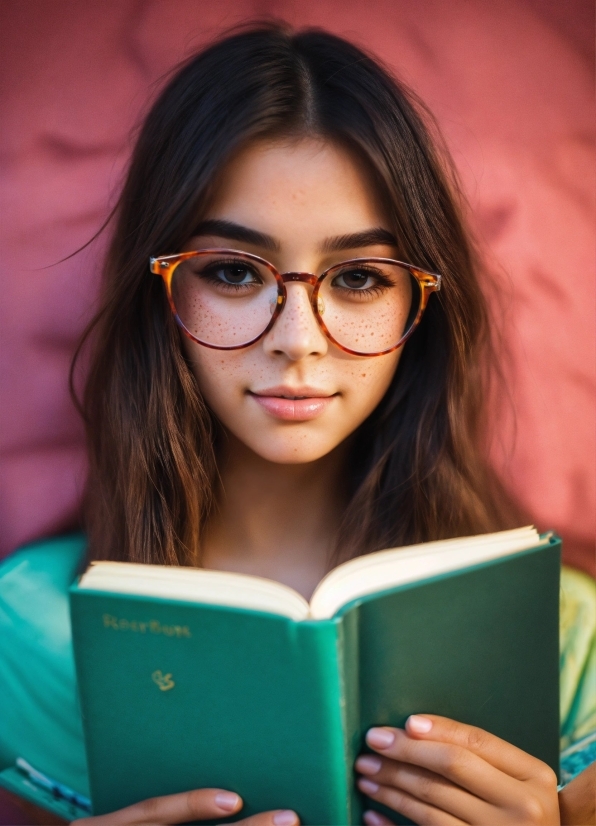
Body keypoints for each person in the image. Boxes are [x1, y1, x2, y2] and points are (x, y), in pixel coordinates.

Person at [1, 23, 593, 826]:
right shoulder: (28, 631)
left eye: (358, 278)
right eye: (235, 272)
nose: (299, 339)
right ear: (161, 294)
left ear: (422, 303)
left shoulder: (563, 634)